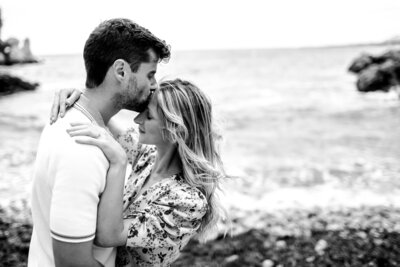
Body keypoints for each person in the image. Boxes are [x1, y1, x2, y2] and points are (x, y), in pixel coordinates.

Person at [28, 18, 170, 267]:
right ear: (121, 71)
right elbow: (73, 263)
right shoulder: (83, 148)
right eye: (150, 74)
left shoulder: (73, 120)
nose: (154, 85)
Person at [52, 79, 227, 266]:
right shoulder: (149, 156)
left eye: (148, 115)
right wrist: (78, 97)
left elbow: (109, 236)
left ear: (175, 130)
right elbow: (104, 119)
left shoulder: (187, 202)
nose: (137, 119)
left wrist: (118, 163)